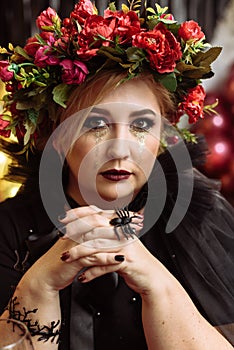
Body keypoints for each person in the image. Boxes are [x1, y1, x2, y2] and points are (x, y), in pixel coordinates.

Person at [0, 1, 233, 349]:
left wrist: (156, 281)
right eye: (96, 125)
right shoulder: (9, 230)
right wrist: (41, 283)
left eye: (141, 126)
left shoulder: (199, 220)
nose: (120, 149)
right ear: (55, 136)